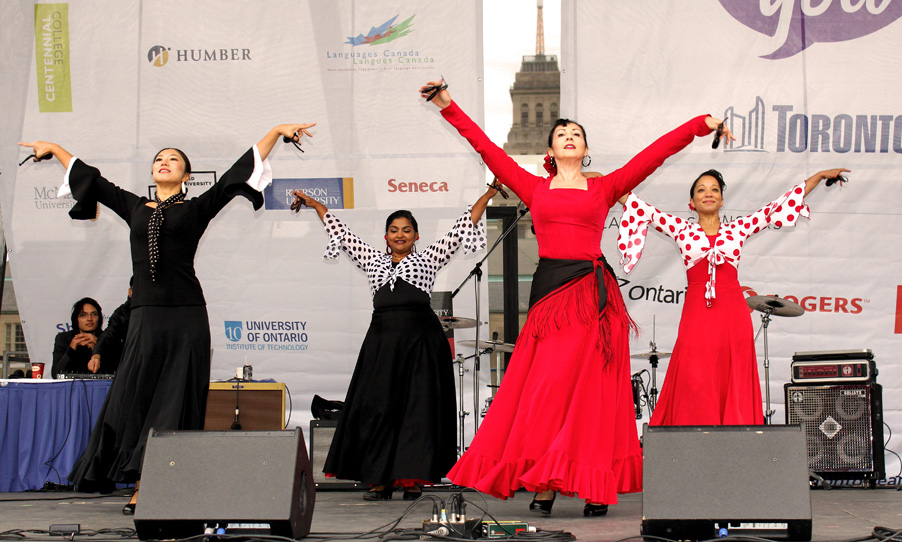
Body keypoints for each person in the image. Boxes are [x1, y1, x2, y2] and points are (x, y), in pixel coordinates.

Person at [421, 78, 733, 516]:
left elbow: (654, 154)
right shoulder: (534, 187)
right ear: (551, 149)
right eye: (562, 133)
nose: (570, 137)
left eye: (577, 134)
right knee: (546, 392)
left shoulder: (604, 188)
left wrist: (699, 124)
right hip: (552, 299)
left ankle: (594, 484)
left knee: (593, 396)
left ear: (585, 149)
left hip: (592, 301)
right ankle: (544, 481)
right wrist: (448, 105)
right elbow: (487, 149)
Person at [18, 121, 314, 512]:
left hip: (186, 318)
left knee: (174, 401)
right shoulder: (134, 206)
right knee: (135, 397)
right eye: (160, 158)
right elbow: (93, 179)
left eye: (174, 159)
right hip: (146, 317)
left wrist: (275, 132)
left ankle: (152, 486)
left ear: (186, 175)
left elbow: (236, 172)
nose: (165, 162)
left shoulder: (196, 208)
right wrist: (56, 148)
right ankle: (139, 477)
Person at [290, 184, 495, 500]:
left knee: (417, 410)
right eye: (394, 230)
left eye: (406, 230)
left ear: (416, 236)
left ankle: (411, 479)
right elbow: (342, 233)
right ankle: (380, 480)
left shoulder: (429, 258)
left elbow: (462, 227)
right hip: (382, 343)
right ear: (386, 236)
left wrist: (488, 194)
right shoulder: (371, 259)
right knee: (379, 408)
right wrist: (316, 204)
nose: (400, 235)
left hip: (420, 343)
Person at [617, 168, 849, 426]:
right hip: (697, 312)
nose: (708, 194)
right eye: (701, 190)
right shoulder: (681, 229)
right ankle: (690, 438)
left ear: (722, 200)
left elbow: (776, 207)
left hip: (733, 313)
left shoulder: (737, 229)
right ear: (691, 202)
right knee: (694, 373)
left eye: (714, 189)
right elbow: (640, 207)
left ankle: (736, 435)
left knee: (733, 373)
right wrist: (602, 182)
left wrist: (817, 177)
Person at [88, 279, 133, 375]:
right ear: (130, 292)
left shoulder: (163, 311)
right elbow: (109, 334)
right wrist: (96, 354)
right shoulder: (123, 313)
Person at [52, 297, 104, 377]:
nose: (89, 319)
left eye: (94, 314)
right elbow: (56, 374)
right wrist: (71, 348)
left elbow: (117, 373)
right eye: (83, 315)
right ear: (76, 319)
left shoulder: (107, 338)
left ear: (99, 318)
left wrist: (99, 345)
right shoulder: (64, 338)